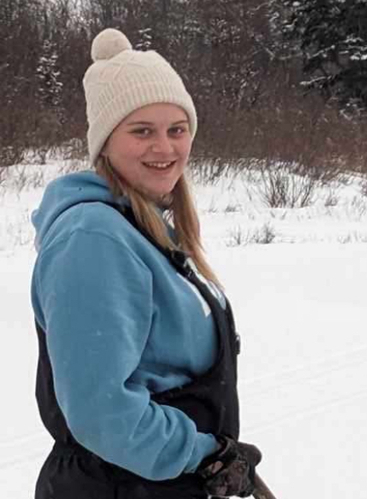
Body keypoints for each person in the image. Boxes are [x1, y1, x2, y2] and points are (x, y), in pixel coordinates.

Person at [31, 28, 262, 498]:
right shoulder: (94, 239)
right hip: (118, 486)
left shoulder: (145, 228)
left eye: (177, 130)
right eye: (142, 131)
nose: (165, 148)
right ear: (105, 143)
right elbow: (102, 411)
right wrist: (204, 454)